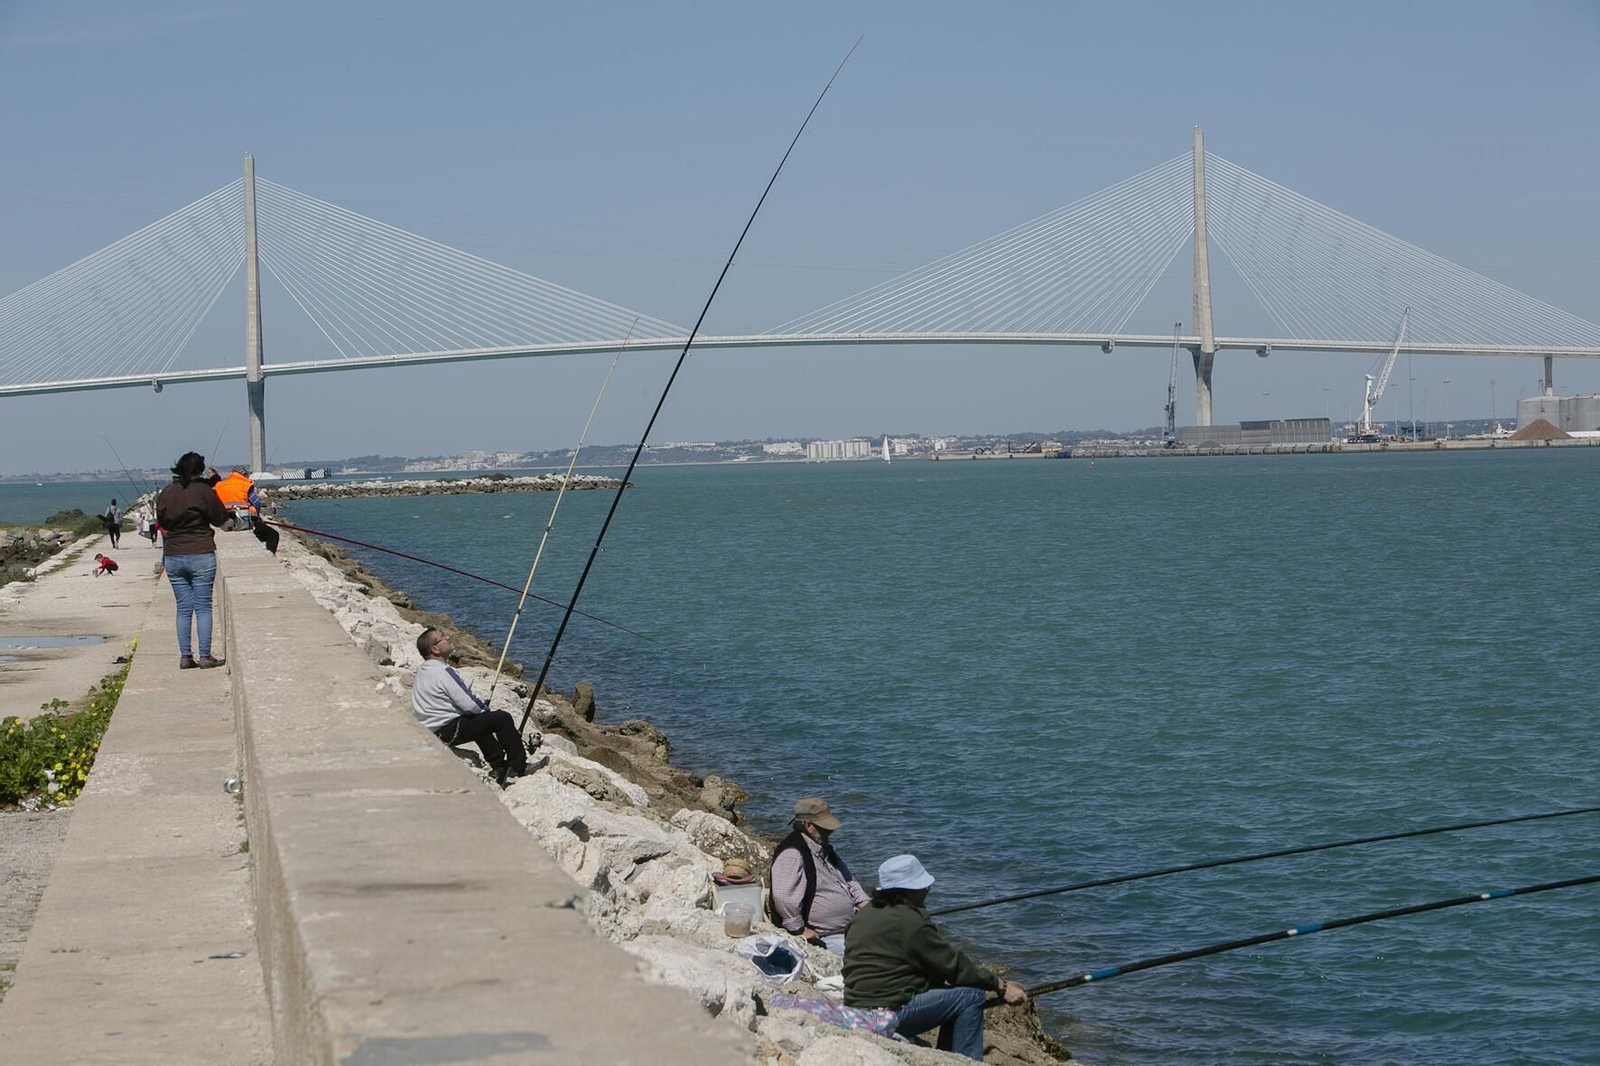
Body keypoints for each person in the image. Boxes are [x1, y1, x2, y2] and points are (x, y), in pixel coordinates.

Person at [844, 854, 1027, 1061]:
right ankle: (966, 1061)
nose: (927, 891)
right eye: (923, 887)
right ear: (909, 891)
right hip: (886, 1015)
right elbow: (954, 966)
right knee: (971, 995)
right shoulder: (912, 922)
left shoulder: (863, 916)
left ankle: (947, 1057)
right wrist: (1000, 986)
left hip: (855, 1007)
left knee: (952, 995)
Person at [411, 627, 536, 788]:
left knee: (477, 722)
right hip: (446, 731)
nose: (448, 637)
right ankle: (520, 767)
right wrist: (485, 711)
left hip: (433, 730)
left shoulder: (424, 669)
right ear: (434, 649)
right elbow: (468, 702)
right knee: (501, 718)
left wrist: (481, 715)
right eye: (443, 637)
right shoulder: (443, 672)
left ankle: (500, 766)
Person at [155, 451, 229, 670]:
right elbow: (220, 520)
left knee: (183, 607)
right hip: (201, 553)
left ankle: (186, 657)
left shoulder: (167, 493)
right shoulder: (204, 491)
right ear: (199, 469)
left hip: (174, 556)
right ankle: (205, 656)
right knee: (203, 606)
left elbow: (162, 521)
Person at [769, 797, 869, 953]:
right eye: (825, 827)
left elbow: (849, 881)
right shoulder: (792, 854)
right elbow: (783, 897)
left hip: (850, 927)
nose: (830, 831)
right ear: (809, 826)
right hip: (825, 936)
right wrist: (799, 930)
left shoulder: (823, 848)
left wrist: (865, 903)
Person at [212, 466, 280, 555]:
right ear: (243, 474)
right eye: (247, 475)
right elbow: (256, 503)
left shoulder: (219, 485)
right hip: (242, 522)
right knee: (273, 535)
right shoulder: (246, 485)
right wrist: (258, 518)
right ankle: (271, 555)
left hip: (222, 522)